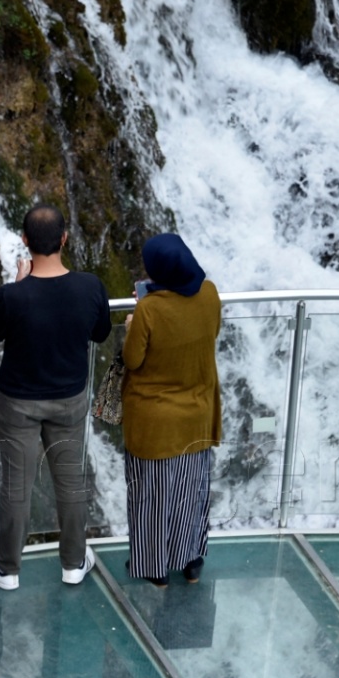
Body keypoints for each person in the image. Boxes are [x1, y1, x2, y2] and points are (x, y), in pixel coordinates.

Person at [0, 204, 112, 590]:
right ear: (64, 239)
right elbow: (100, 334)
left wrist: (18, 286)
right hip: (69, 399)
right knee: (70, 483)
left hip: (18, 402)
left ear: (25, 241)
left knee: (15, 485)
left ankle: (7, 569)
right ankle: (73, 563)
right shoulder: (91, 287)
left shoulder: (12, 296)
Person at [121, 233, 222, 586]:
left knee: (152, 496)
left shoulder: (150, 309)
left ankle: (156, 569)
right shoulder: (209, 294)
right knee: (190, 491)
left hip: (156, 422)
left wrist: (134, 320)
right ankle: (192, 562)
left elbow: (132, 359)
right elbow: (210, 332)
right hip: (197, 415)